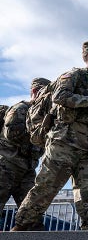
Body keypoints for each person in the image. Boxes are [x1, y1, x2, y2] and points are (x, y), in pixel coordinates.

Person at [12, 41, 88, 231]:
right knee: (47, 186)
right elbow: (59, 96)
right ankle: (23, 225)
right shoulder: (74, 75)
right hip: (64, 142)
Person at [0, 78, 50, 215]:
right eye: (44, 94)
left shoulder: (44, 116)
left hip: (27, 170)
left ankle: (33, 234)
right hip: (6, 166)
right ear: (34, 92)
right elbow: (11, 133)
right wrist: (38, 131)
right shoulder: (21, 108)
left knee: (32, 213)